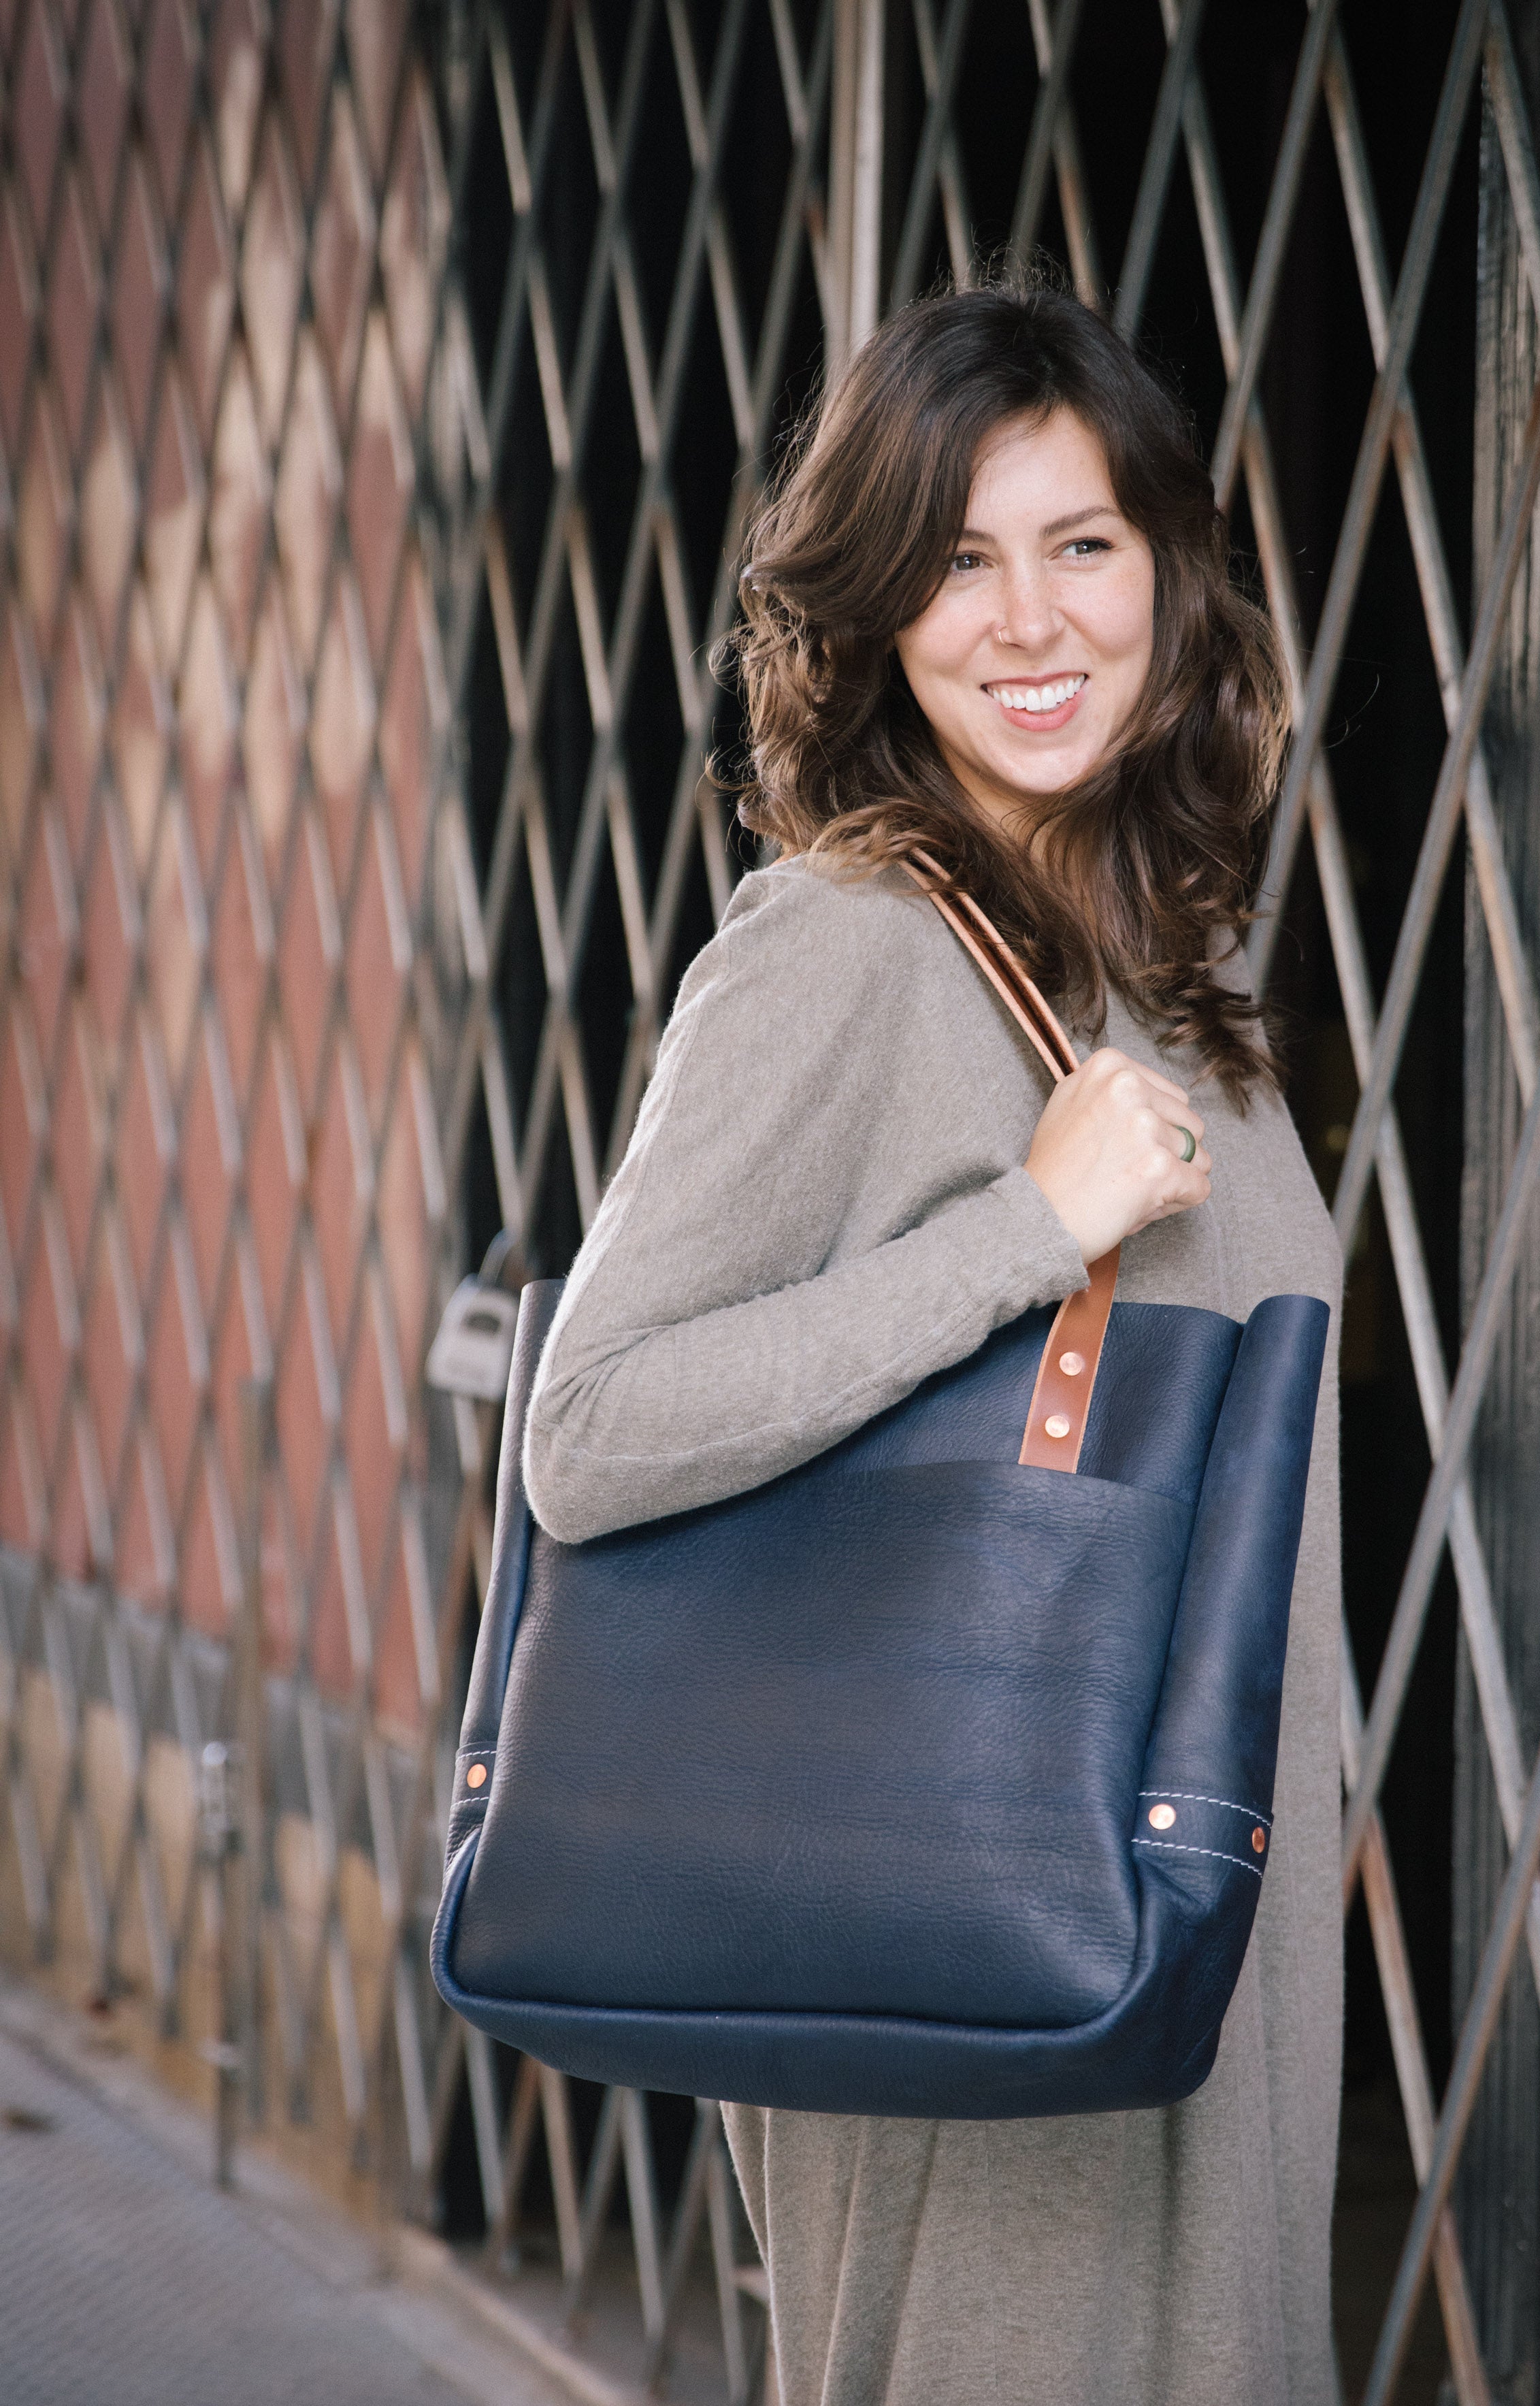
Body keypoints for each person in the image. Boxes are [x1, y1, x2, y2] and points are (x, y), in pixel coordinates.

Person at [521, 282, 1343, 2406]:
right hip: (980, 1957)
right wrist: (1022, 1232)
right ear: (877, 607)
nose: (1031, 619)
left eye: (1081, 544)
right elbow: (589, 1432)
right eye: (960, 560)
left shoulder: (1170, 982)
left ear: (1168, 573)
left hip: (1201, 1948)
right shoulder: (846, 951)